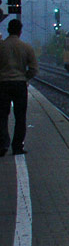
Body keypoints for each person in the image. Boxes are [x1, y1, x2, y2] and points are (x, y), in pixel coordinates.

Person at [0, 19, 38, 156]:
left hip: (3, 84)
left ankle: (3, 144)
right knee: (20, 117)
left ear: (8, 30)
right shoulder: (26, 47)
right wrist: (25, 77)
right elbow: (34, 69)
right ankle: (17, 147)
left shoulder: (1, 46)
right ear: (20, 32)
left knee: (2, 116)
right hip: (20, 85)